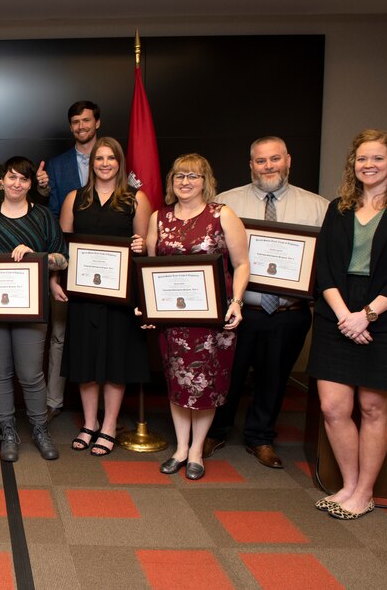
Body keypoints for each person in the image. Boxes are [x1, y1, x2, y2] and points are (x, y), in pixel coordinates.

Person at [307, 129, 387, 520]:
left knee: (373, 407)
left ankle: (364, 492)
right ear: (353, 164)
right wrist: (345, 314)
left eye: (377, 158)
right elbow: (323, 267)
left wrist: (368, 315)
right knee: (332, 407)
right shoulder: (339, 207)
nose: (369, 165)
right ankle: (347, 484)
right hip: (337, 314)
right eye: (362, 159)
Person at [205, 137, 329, 468]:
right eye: (261, 161)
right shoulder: (224, 203)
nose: (268, 166)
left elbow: (326, 262)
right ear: (251, 165)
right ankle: (216, 430)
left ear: (288, 160)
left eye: (275, 159)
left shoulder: (319, 207)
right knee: (227, 374)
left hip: (289, 311)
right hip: (241, 309)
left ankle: (260, 437)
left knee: (274, 377)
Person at [145, 154, 249, 480]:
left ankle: (196, 451)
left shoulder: (223, 215)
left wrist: (238, 302)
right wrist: (148, 304)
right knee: (177, 383)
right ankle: (179, 448)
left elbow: (242, 264)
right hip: (173, 319)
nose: (185, 182)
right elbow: (150, 268)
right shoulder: (157, 217)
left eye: (193, 176)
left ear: (206, 181)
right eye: (179, 176)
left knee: (205, 385)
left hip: (212, 319)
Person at [0, 156, 67, 462]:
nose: (17, 184)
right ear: (2, 181)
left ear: (30, 184)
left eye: (23, 179)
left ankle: (39, 428)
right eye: (11, 178)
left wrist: (40, 256)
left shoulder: (44, 216)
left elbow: (63, 258)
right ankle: (7, 429)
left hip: (32, 308)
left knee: (31, 373)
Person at [56, 138, 151, 456]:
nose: (105, 163)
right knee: (85, 359)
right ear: (92, 162)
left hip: (121, 296)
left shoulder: (136, 199)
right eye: (99, 158)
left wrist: (141, 245)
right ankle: (89, 423)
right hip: (83, 293)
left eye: (111, 158)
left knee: (115, 360)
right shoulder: (74, 199)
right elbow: (62, 248)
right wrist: (56, 280)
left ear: (120, 162)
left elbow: (145, 246)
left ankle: (109, 425)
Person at [37, 100, 102, 422]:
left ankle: (100, 408)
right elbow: (50, 216)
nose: (81, 126)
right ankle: (54, 400)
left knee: (102, 333)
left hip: (107, 266)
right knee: (60, 333)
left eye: (86, 120)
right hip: (68, 260)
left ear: (97, 123)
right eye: (75, 121)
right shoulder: (58, 165)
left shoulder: (112, 160)